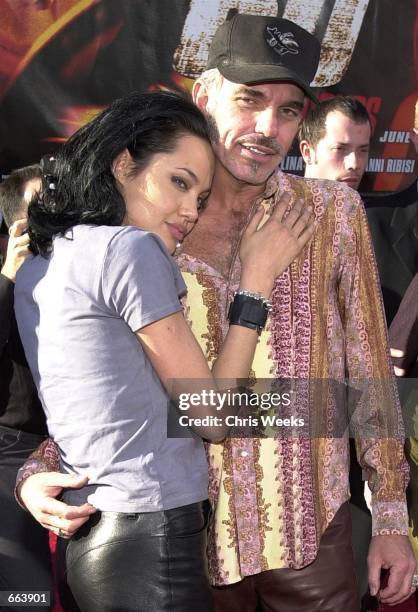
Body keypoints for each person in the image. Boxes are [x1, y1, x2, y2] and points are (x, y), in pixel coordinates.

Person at [16, 14, 417, 612]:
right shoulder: (141, 226)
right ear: (203, 96)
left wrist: (388, 516)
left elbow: (368, 373)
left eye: (288, 111)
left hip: (312, 534)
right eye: (250, 100)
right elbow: (97, 378)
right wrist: (36, 474)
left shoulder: (333, 213)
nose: (267, 129)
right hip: (184, 545)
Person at [13, 90, 314, 612]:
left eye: (199, 197)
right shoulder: (128, 249)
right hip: (151, 540)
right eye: (179, 182)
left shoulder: (41, 262)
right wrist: (256, 284)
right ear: (124, 163)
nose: (189, 212)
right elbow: (212, 416)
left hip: (89, 541)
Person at [0, 165, 54, 611]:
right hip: (15, 449)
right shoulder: (6, 279)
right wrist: (8, 280)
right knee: (28, 596)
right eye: (44, 210)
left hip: (77, 449)